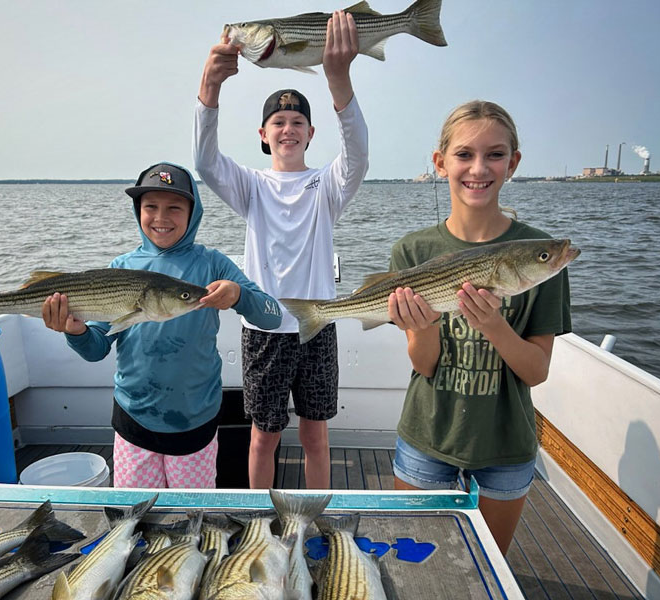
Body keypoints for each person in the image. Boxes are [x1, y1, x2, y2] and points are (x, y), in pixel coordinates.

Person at [386, 100, 572, 554]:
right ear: (440, 162)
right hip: (428, 434)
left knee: (489, 562)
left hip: (507, 443)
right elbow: (424, 363)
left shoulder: (540, 260)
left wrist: (494, 326)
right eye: (464, 154)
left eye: (494, 154)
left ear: (513, 163)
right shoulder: (412, 251)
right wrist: (424, 327)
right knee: (413, 562)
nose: (478, 168)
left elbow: (536, 371)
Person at [194, 11, 369, 489]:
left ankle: (316, 519)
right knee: (263, 437)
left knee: (315, 435)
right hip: (264, 326)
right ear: (263, 134)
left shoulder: (326, 185)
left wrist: (339, 81)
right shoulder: (251, 186)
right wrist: (210, 91)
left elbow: (358, 155)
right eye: (278, 121)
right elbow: (205, 162)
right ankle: (259, 524)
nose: (288, 128)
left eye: (297, 121)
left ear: (312, 133)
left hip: (317, 327)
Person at [42, 162, 282, 489]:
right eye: (150, 206)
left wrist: (238, 295)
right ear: (137, 210)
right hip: (133, 418)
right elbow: (97, 348)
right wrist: (75, 332)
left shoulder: (212, 263)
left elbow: (271, 316)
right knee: (136, 517)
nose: (161, 217)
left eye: (174, 207)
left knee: (192, 516)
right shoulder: (120, 268)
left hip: (195, 419)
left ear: (192, 212)